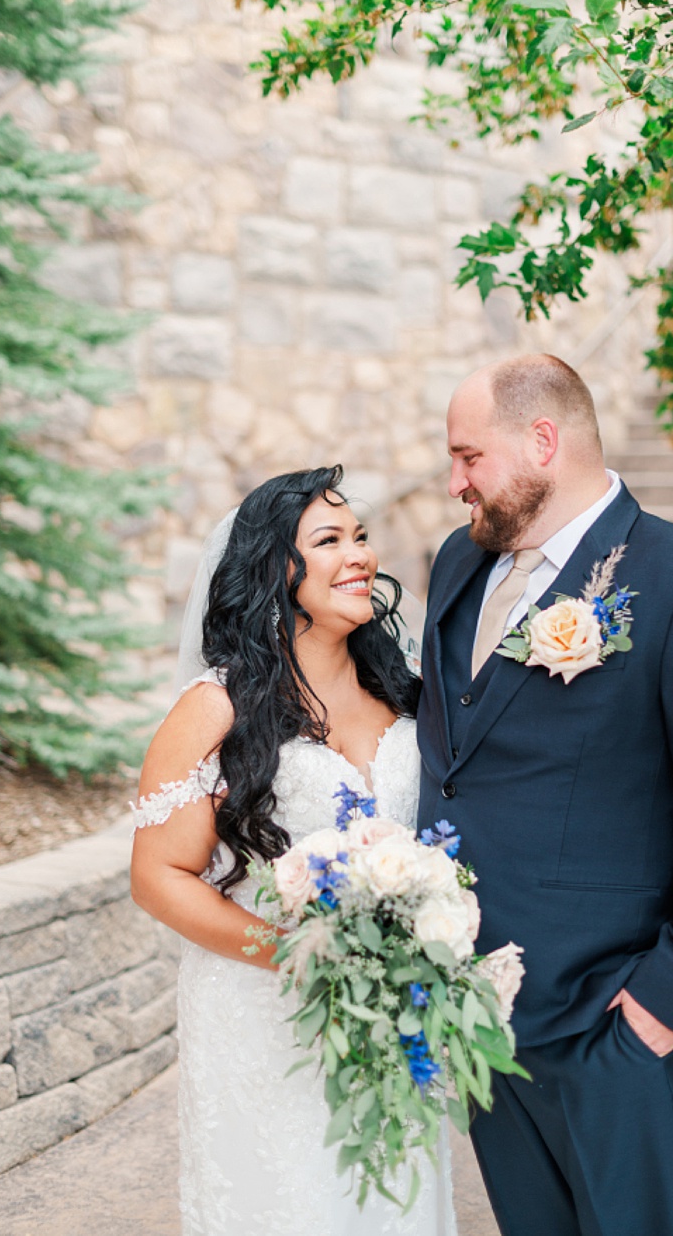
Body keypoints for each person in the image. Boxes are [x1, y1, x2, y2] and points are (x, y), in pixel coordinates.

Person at [417, 353, 673, 1236]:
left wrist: (670, 998)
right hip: (476, 1005)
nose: (452, 484)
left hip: (608, 1016)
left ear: (542, 440)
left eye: (469, 458)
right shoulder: (457, 566)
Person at [129, 466, 455, 1233]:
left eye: (362, 537)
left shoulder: (405, 691)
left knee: (392, 1203)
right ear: (279, 568)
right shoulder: (216, 708)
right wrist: (297, 952)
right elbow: (157, 876)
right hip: (262, 1010)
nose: (360, 557)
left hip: (394, 1008)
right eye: (330, 540)